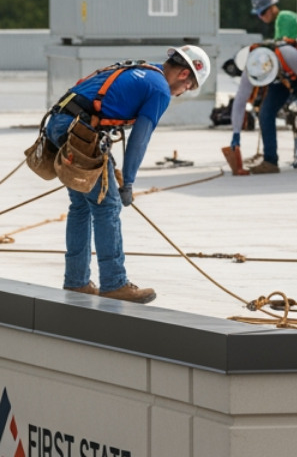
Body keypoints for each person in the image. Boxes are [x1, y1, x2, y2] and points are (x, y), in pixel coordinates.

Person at [44, 46, 210, 302]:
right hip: (79, 133)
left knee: (81, 206)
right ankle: (115, 283)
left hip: (60, 125)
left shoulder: (144, 70)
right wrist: (129, 182)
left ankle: (76, 281)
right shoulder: (159, 89)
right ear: (184, 74)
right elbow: (139, 140)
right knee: (108, 206)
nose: (184, 91)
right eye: (188, 86)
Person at [229, 42, 297, 174]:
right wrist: (236, 133)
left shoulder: (289, 55)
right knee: (265, 113)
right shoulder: (251, 69)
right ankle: (270, 161)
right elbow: (240, 101)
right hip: (279, 82)